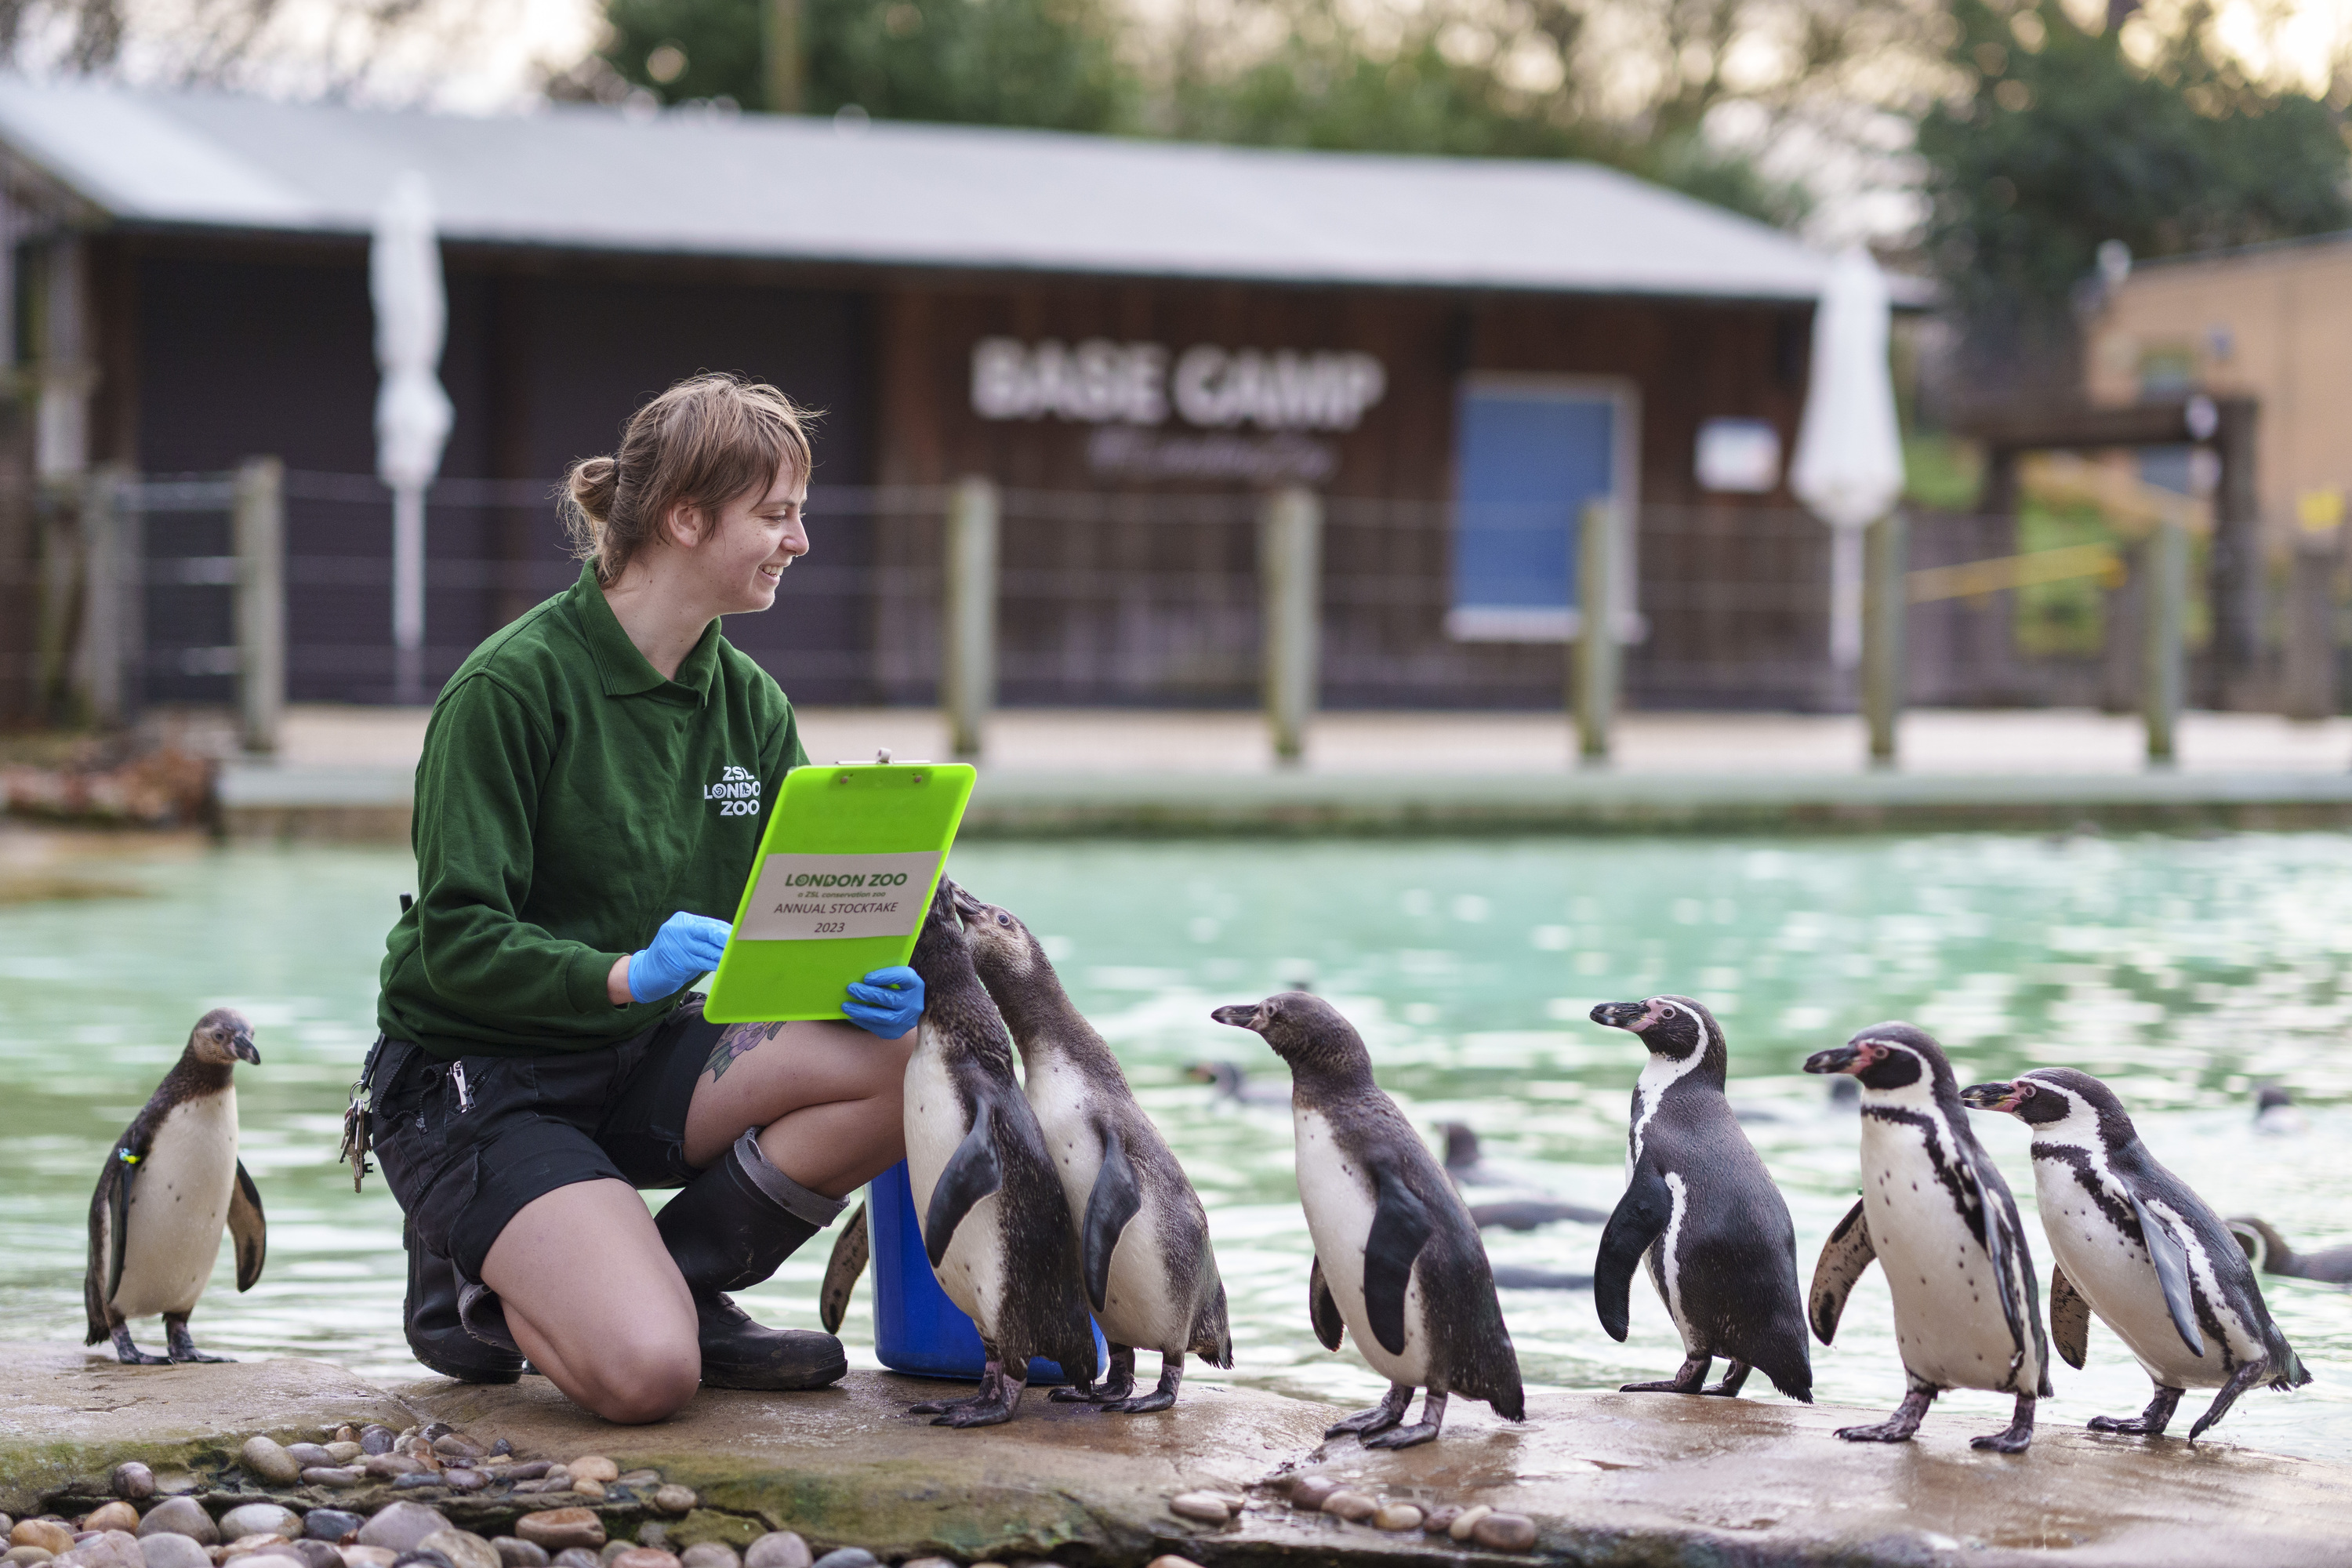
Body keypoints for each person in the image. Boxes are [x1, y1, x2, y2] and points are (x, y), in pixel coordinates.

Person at [364, 373, 920, 1424]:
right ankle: (478, 1272)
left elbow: (776, 928)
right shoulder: (509, 689)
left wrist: (852, 974)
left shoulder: (750, 704)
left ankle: (679, 1283)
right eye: (778, 516)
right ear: (686, 518)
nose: (799, 542)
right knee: (648, 1380)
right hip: (478, 1076)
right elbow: (454, 944)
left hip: (640, 1056)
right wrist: (624, 974)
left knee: (907, 1063)